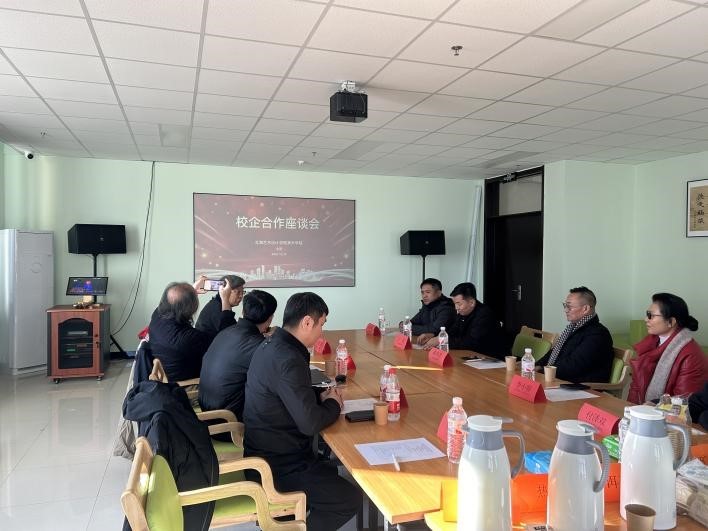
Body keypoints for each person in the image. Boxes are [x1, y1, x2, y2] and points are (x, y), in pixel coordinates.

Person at [243, 292, 361, 531]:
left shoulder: (274, 344)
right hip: (277, 467)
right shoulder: (288, 357)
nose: (322, 333)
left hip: (265, 452)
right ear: (307, 322)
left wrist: (319, 397)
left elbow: (289, 394)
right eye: (321, 325)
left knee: (329, 473)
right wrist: (333, 403)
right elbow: (310, 424)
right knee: (349, 499)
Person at [198, 289, 277, 421]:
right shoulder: (260, 347)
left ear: (243, 312)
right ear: (270, 319)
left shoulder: (226, 332)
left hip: (206, 410)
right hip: (228, 420)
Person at [148, 277, 233, 381]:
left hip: (167, 370)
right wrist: (225, 300)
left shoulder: (157, 315)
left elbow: (175, 302)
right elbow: (225, 341)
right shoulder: (188, 337)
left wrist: (191, 290)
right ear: (190, 309)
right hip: (184, 382)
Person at [628, 293, 707, 404]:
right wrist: (629, 409)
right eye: (647, 314)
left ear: (671, 322)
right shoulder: (650, 343)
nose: (646, 319)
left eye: (651, 315)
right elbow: (636, 387)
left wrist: (647, 409)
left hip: (668, 413)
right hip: (642, 410)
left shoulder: (691, 356)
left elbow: (683, 403)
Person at [537, 286, 614, 383]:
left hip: (581, 386)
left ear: (585, 309)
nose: (565, 310)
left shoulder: (598, 334)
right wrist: (536, 366)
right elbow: (553, 353)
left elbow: (574, 366)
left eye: (569, 306)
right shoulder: (573, 328)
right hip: (559, 379)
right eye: (565, 306)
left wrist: (542, 371)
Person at [422, 282, 506, 358]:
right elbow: (453, 331)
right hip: (471, 356)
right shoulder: (462, 313)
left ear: (472, 302)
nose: (456, 308)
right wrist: (435, 336)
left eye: (459, 304)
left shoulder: (484, 315)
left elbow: (471, 342)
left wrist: (441, 340)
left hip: (490, 359)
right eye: (455, 304)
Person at [195, 274, 245, 341]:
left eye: (242, 292)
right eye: (238, 292)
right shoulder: (216, 309)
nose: (241, 296)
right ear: (225, 291)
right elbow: (232, 334)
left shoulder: (216, 304)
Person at [408, 278, 455, 345]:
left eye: (428, 292)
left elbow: (435, 329)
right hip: (428, 343)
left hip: (445, 346)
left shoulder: (446, 307)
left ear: (439, 293)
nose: (424, 296)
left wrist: (408, 327)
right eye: (422, 292)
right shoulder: (427, 305)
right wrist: (404, 324)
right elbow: (411, 323)